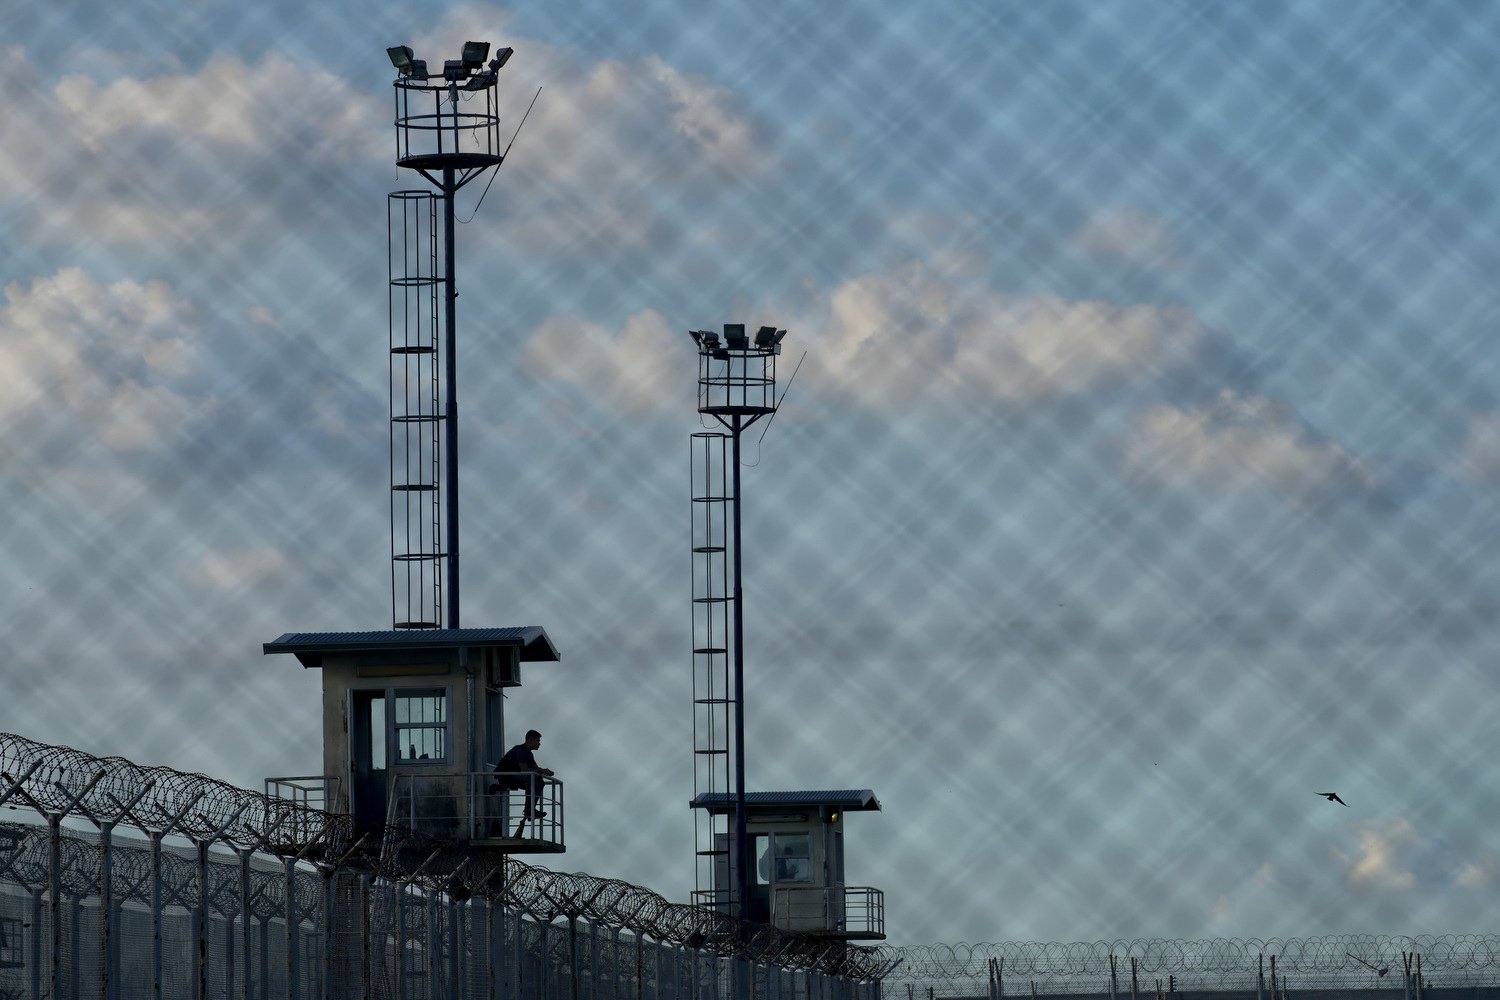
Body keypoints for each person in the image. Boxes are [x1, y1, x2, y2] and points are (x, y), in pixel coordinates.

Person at [490, 730, 554, 819]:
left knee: (538, 781)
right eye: (538, 741)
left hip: (513, 776)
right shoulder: (520, 750)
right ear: (531, 739)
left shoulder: (528, 753)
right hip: (506, 777)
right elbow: (525, 770)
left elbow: (535, 768)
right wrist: (543, 771)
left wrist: (544, 771)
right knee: (534, 780)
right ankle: (529, 810)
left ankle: (530, 809)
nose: (539, 744)